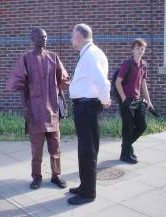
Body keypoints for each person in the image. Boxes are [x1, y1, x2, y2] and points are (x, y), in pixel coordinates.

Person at [6, 27, 70, 190]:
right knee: (37, 149)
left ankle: (56, 175)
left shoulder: (53, 57)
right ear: (33, 38)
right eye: (41, 36)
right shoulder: (26, 58)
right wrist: (25, 108)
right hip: (34, 109)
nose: (45, 39)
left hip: (53, 110)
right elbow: (19, 84)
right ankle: (37, 176)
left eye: (46, 36)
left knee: (55, 147)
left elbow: (61, 81)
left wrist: (63, 101)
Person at [68, 23, 111, 205]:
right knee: (85, 149)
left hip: (87, 108)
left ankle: (88, 193)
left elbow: (103, 82)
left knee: (88, 150)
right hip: (85, 107)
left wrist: (103, 100)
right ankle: (84, 185)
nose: (71, 39)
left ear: (80, 37)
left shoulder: (91, 54)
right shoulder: (91, 53)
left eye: (72, 35)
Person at [115, 38, 153, 164]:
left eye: (142, 49)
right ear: (133, 49)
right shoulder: (127, 64)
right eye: (138, 48)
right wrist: (124, 99)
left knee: (142, 125)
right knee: (128, 127)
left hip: (137, 100)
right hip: (127, 100)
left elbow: (143, 84)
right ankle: (125, 155)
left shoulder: (144, 65)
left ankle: (126, 146)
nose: (140, 51)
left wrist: (148, 101)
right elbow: (118, 83)